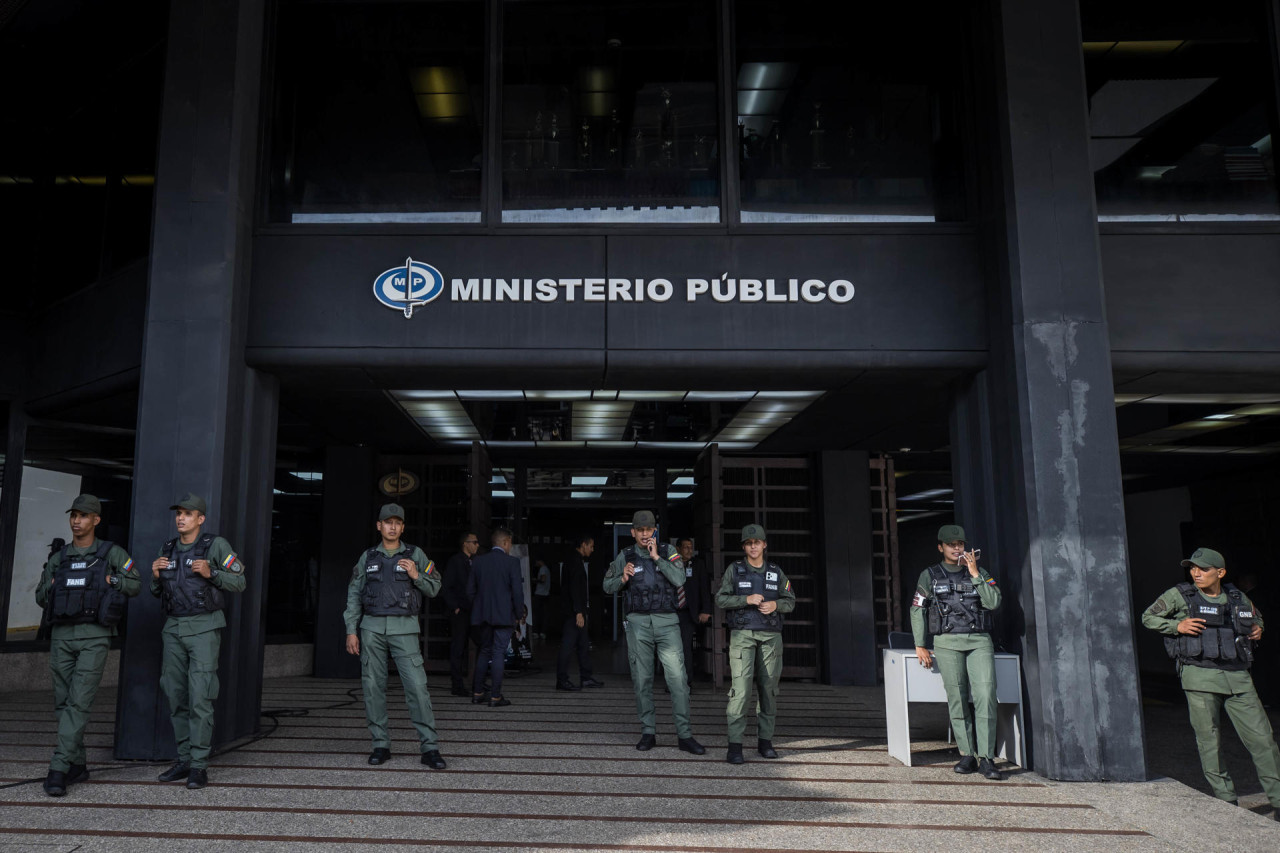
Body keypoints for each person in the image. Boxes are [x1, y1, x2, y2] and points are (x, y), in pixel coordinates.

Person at [1141, 547, 1280, 817]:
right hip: (1199, 677)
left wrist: (1258, 627)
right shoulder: (1179, 595)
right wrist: (1176, 627)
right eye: (1193, 568)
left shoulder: (1238, 597)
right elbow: (1149, 617)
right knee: (1210, 742)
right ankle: (1226, 799)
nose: (1196, 573)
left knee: (1263, 741)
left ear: (1220, 572)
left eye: (1203, 568)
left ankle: (1278, 799)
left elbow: (1257, 618)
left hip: (1239, 679)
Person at [35, 494, 140, 796]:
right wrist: (51, 588)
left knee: (79, 702)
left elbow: (135, 583)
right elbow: (40, 597)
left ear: (96, 520)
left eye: (83, 516)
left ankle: (59, 767)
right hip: (62, 637)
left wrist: (113, 582)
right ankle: (78, 765)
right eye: (73, 515)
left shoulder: (112, 553)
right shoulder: (59, 557)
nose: (76, 521)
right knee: (62, 702)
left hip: (94, 636)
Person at [150, 493, 246, 790]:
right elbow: (159, 592)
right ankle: (184, 759)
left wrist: (212, 571)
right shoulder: (168, 547)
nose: (181, 518)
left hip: (204, 628)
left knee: (200, 697)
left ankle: (199, 765)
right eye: (179, 513)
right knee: (176, 695)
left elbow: (239, 581)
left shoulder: (215, 545)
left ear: (200, 519)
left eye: (188, 514)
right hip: (174, 628)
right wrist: (155, 576)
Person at [342, 503, 446, 770]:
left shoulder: (416, 554)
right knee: (373, 688)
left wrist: (416, 575)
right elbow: (354, 594)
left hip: (405, 629)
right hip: (372, 629)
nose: (392, 527)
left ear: (402, 526)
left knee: (417, 688)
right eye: (387, 522)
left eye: (397, 523)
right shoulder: (367, 557)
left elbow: (435, 587)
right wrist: (351, 630)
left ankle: (430, 748)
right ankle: (380, 744)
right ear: (379, 526)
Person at [603, 510, 704, 755]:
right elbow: (607, 585)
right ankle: (648, 732)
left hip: (667, 622)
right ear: (633, 532)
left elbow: (680, 579)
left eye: (649, 530)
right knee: (642, 680)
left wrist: (657, 558)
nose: (645, 534)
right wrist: (622, 578)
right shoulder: (625, 555)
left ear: (654, 531)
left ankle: (685, 734)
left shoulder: (669, 552)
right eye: (640, 530)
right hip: (638, 624)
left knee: (678, 681)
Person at [909, 523, 1003, 781]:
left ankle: (987, 758)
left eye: (960, 544)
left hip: (979, 641)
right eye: (951, 545)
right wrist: (919, 643)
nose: (957, 548)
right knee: (958, 698)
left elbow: (993, 602)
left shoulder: (979, 571)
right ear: (941, 547)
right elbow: (917, 608)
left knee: (985, 695)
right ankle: (967, 754)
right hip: (947, 642)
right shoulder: (929, 575)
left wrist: (974, 573)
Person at [715, 524, 795, 764]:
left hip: (771, 636)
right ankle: (735, 745)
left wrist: (775, 605)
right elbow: (720, 599)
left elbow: (790, 601)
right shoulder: (735, 570)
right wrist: (745, 599)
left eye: (757, 543)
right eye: (748, 543)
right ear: (744, 546)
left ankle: (765, 742)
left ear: (764, 545)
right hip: (743, 635)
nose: (753, 546)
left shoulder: (775, 572)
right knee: (740, 691)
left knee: (769, 691)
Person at [468, 528, 525, 707]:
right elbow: (517, 592)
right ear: (506, 542)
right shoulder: (512, 563)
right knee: (499, 651)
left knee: (485, 651)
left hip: (482, 615)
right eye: (510, 544)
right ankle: (495, 696)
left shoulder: (478, 562)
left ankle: (477, 693)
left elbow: (470, 591)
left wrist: (479, 608)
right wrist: (518, 614)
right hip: (504, 616)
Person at [556, 535, 604, 690]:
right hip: (574, 613)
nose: (592, 549)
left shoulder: (573, 561)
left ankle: (586, 677)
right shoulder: (575, 562)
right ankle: (562, 680)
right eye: (591, 546)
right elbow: (575, 589)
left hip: (576, 611)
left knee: (583, 645)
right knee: (568, 645)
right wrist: (578, 612)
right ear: (583, 545)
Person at [442, 531, 480, 697]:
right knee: (458, 648)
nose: (477, 545)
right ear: (466, 543)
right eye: (474, 542)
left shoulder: (475, 561)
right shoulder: (455, 561)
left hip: (474, 610)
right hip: (461, 611)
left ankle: (478, 682)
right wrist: (455, 607)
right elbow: (446, 586)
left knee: (481, 643)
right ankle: (457, 685)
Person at [675, 537, 713, 682]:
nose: (689, 550)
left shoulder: (698, 565)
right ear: (678, 549)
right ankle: (673, 683)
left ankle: (686, 682)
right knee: (670, 650)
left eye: (691, 547)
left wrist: (706, 610)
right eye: (686, 547)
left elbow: (704, 588)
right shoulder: (670, 564)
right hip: (671, 612)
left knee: (685, 648)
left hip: (688, 613)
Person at [532, 558, 551, 638]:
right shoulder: (547, 569)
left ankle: (536, 632)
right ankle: (543, 632)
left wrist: (535, 580)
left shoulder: (543, 569)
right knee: (544, 614)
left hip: (540, 594)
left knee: (536, 613)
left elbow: (543, 579)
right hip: (546, 594)